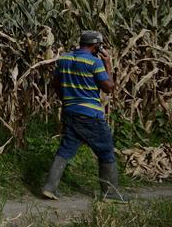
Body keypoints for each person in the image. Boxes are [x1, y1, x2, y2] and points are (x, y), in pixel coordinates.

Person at [41, 30, 125, 202]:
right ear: (97, 46)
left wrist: (66, 100)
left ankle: (49, 187)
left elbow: (55, 83)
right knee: (106, 150)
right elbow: (109, 87)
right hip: (89, 114)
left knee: (66, 149)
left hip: (69, 111)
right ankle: (111, 194)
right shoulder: (94, 62)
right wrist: (108, 64)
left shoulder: (64, 58)